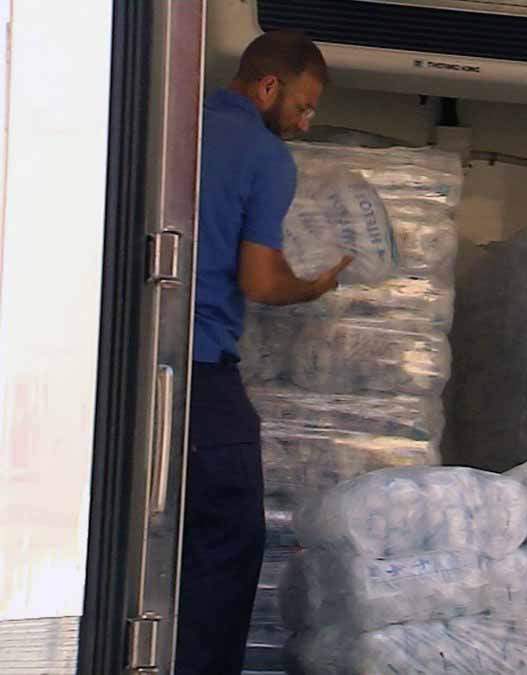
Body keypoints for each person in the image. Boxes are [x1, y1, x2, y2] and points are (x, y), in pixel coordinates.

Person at [177, 31, 351, 674]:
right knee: (229, 543)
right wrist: (314, 285)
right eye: (303, 107)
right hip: (200, 372)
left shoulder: (173, 126)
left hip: (128, 367)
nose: (305, 123)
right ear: (268, 86)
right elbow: (259, 280)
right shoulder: (264, 154)